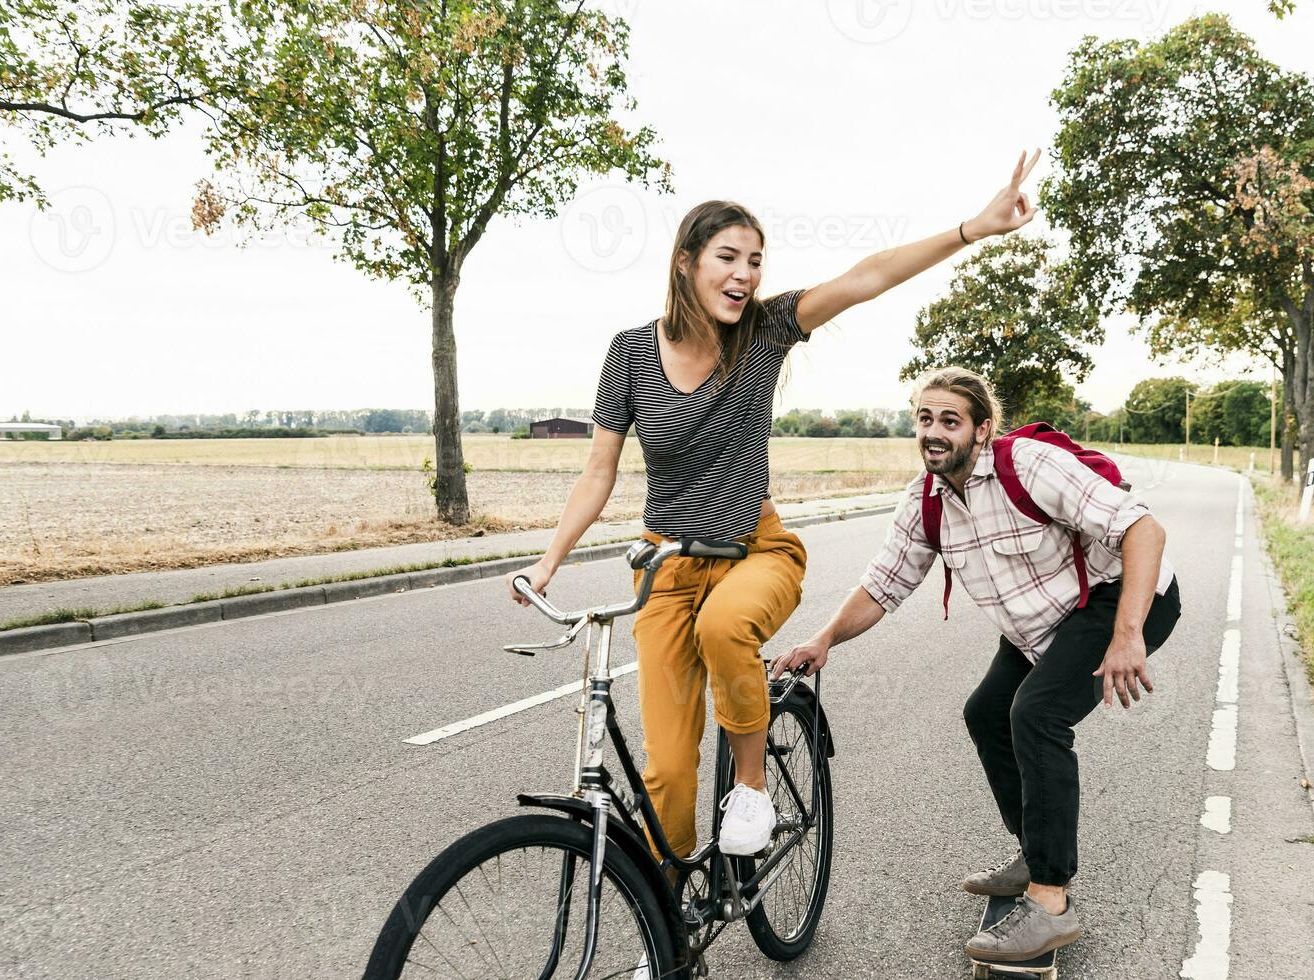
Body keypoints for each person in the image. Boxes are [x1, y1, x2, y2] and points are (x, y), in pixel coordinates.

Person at [506, 151, 1042, 865]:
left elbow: (865, 279)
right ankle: (666, 930)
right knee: (666, 773)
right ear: (687, 263)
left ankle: (752, 788)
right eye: (728, 257)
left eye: (755, 261)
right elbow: (598, 471)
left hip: (755, 551)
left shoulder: (763, 332)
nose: (745, 274)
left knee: (728, 628)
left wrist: (973, 229)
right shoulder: (630, 352)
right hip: (667, 565)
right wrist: (546, 565)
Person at [769, 367, 1181, 962]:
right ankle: (1034, 850)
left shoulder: (1030, 465)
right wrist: (824, 638)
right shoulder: (925, 501)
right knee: (987, 711)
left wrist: (1127, 635)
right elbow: (885, 584)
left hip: (1120, 597)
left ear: (982, 430)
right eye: (925, 419)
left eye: (950, 421)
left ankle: (1050, 902)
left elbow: (1144, 529)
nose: (934, 433)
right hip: (1046, 621)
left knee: (1037, 715)